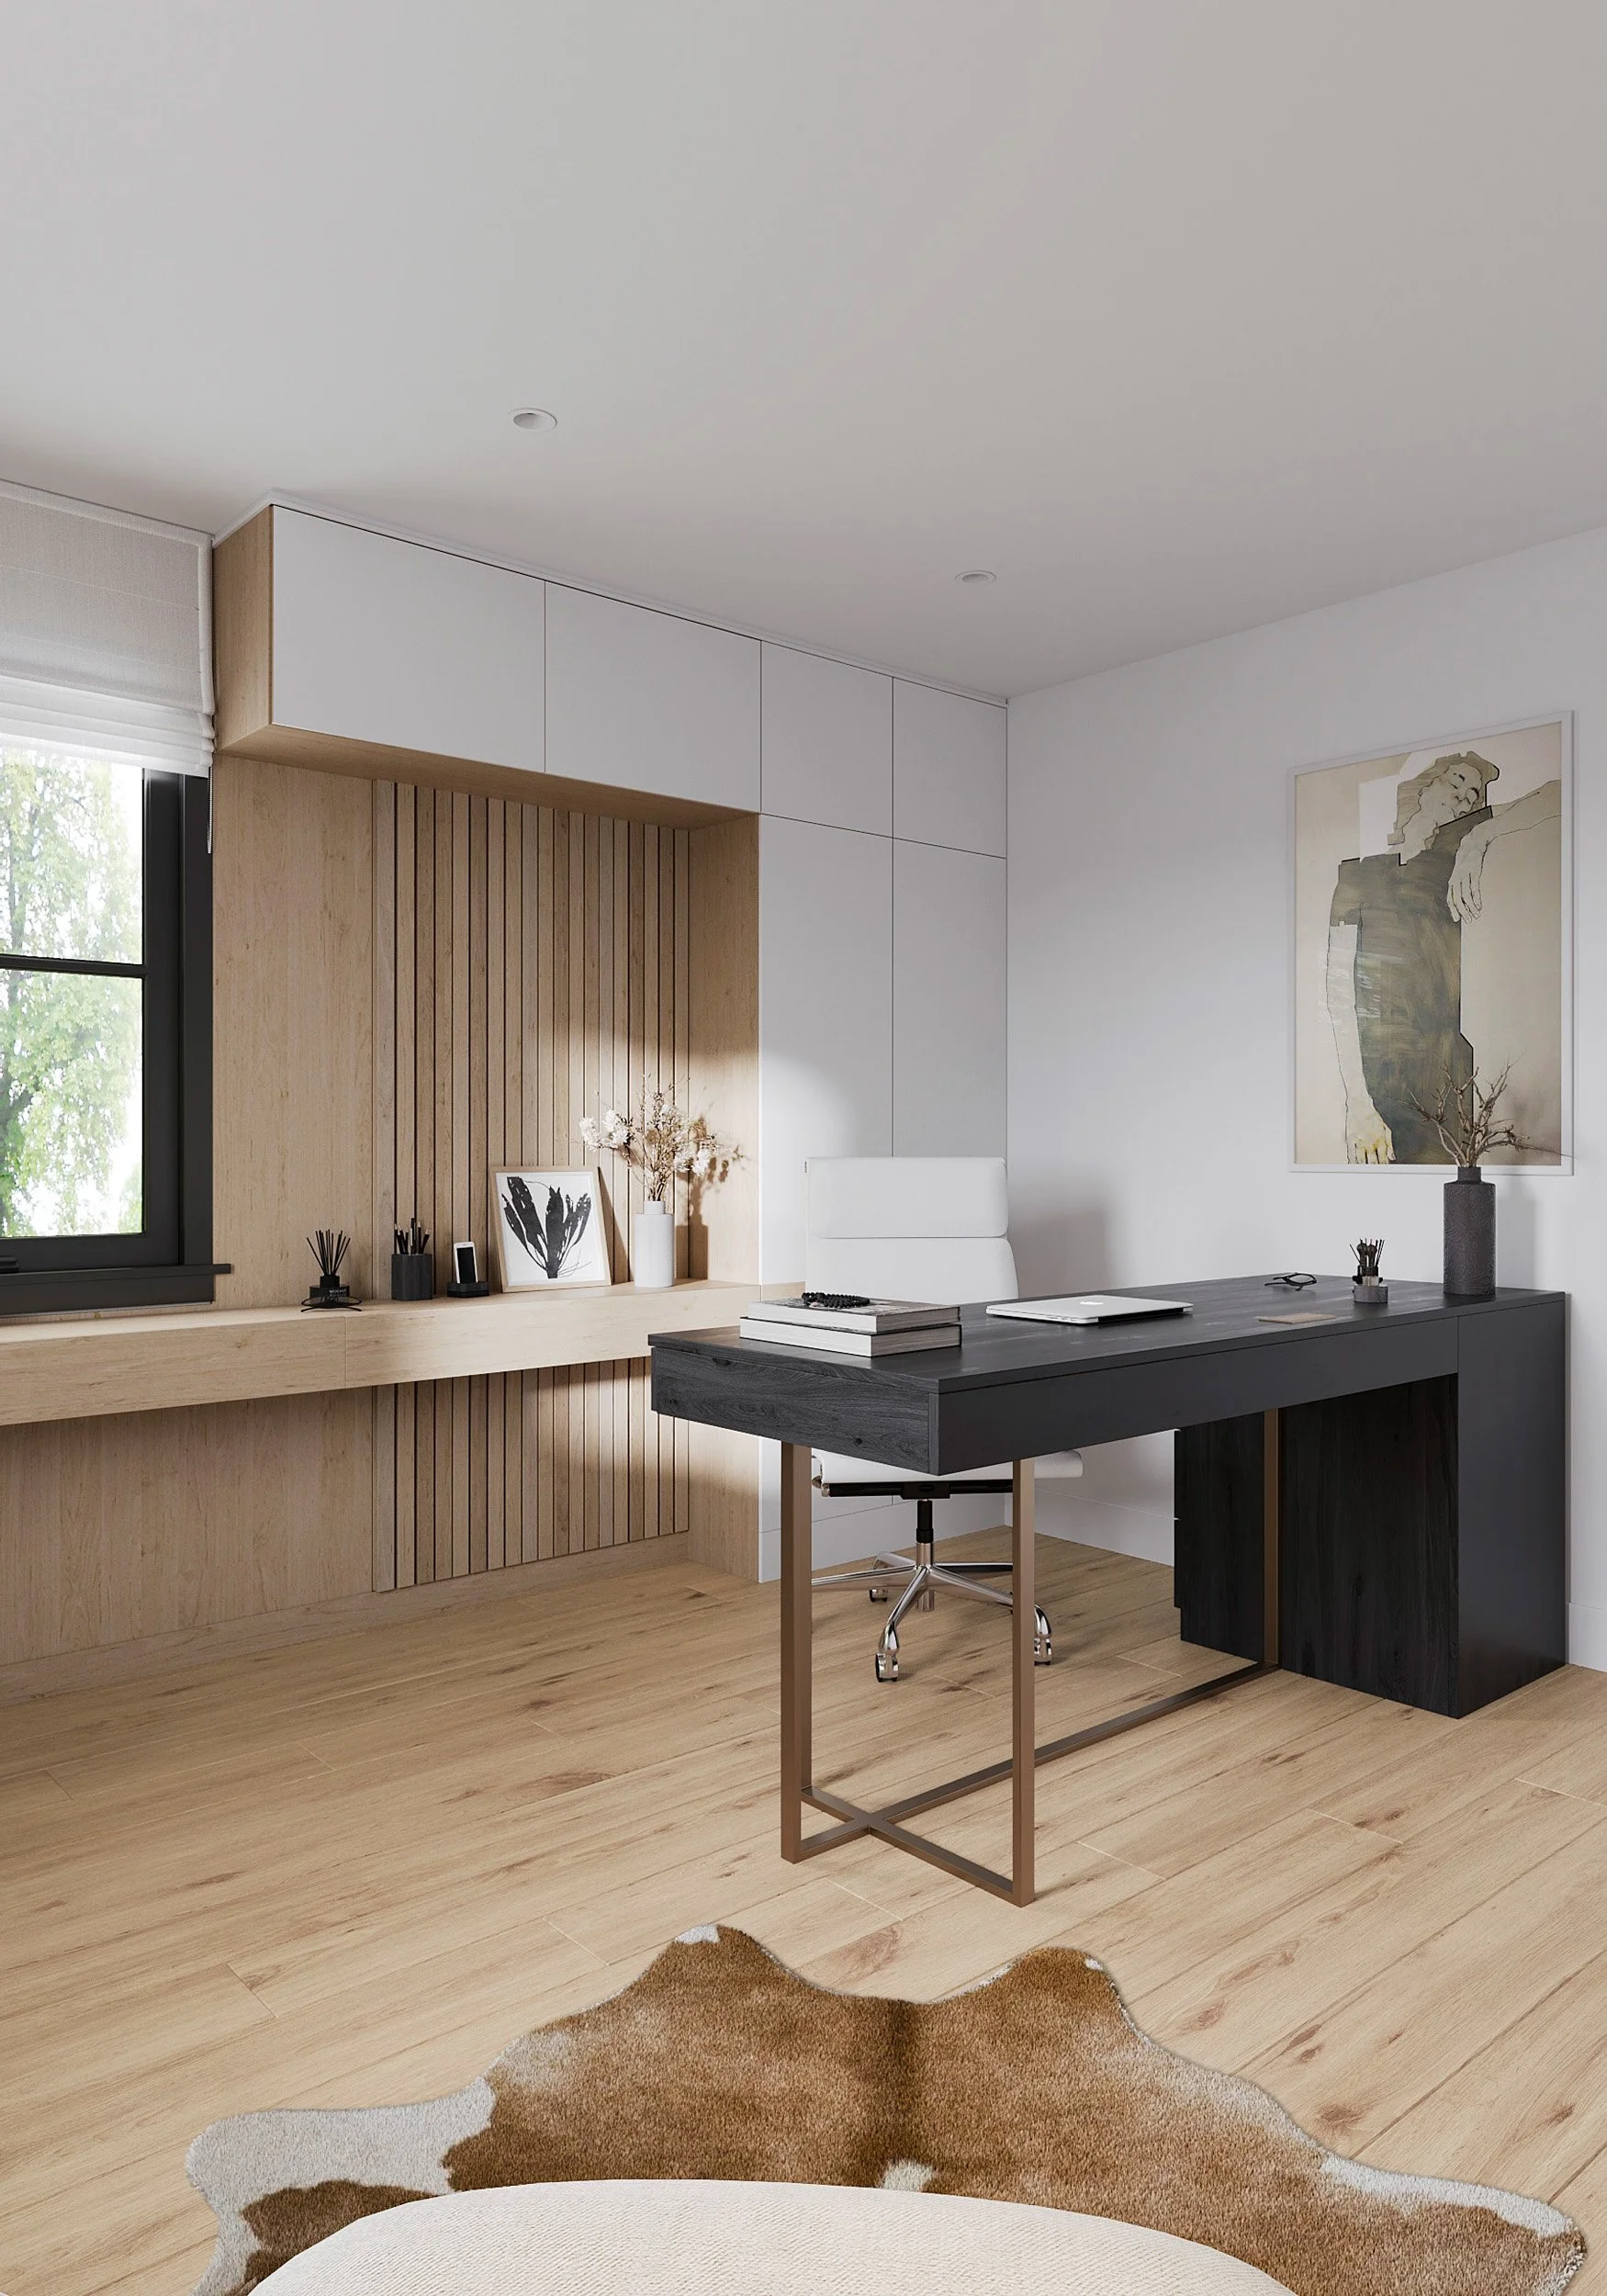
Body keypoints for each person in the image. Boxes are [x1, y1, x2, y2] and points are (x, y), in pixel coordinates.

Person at [1324, 751, 1559, 1163]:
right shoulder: (1357, 874)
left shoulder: (1457, 842)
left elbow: (1557, 794)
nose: (1466, 798)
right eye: (1456, 783)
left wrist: (1477, 838)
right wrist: (1357, 1102)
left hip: (1445, 1067)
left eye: (1474, 793)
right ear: (1427, 784)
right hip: (1376, 1071)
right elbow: (1340, 990)